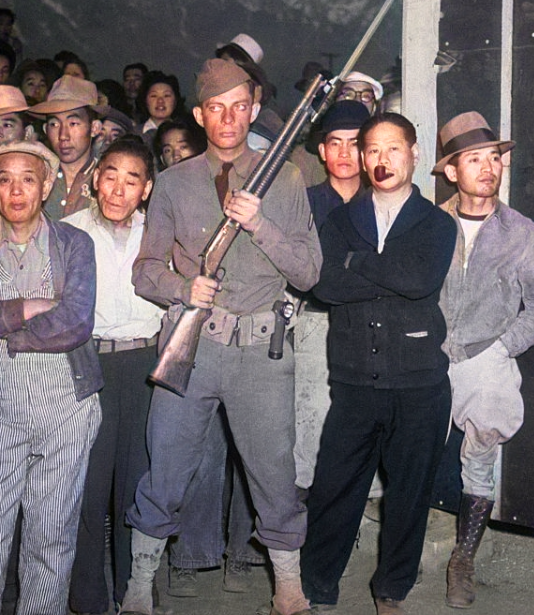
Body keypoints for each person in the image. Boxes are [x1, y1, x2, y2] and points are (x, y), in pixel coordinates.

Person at [123, 58, 321, 615]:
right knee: (165, 470)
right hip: (196, 345)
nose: (228, 118)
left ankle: (289, 592)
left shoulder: (285, 177)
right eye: (216, 107)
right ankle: (139, 589)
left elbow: (309, 272)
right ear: (198, 114)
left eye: (239, 106)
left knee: (275, 478)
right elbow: (144, 269)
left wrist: (260, 224)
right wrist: (185, 287)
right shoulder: (172, 182)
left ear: (254, 110)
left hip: (263, 349)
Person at [301, 113, 457, 615]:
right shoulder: (340, 220)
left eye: (393, 149)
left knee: (409, 496)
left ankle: (391, 591)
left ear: (414, 155)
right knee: (333, 489)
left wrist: (356, 263)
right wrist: (381, 269)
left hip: (419, 384)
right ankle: (316, 587)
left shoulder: (435, 222)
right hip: (353, 381)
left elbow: (419, 280)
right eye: (372, 150)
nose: (381, 160)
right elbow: (323, 284)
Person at [0, 138, 101, 615]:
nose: (17, 191)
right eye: (5, 180)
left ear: (47, 185)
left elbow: (76, 320)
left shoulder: (74, 243)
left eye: (28, 179)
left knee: (51, 536)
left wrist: (5, 328)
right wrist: (30, 307)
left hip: (66, 405)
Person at [433, 112, 534, 609]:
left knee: (480, 459)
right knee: (406, 449)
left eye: (494, 158)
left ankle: (463, 559)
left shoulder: (523, 233)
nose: (488, 167)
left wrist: (504, 347)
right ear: (450, 171)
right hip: (427, 354)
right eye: (473, 159)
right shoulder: (428, 222)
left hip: (487, 356)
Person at [64, 136, 162, 614]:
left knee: (138, 481)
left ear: (146, 189)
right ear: (95, 179)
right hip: (90, 363)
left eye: (132, 180)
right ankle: (87, 598)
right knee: (88, 483)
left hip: (147, 365)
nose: (119, 190)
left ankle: (134, 591)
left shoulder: (160, 232)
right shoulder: (67, 231)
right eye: (111, 176)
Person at [293, 100, 370, 492]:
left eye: (354, 143)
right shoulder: (302, 202)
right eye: (335, 143)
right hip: (315, 323)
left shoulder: (382, 202)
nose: (344, 153)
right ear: (322, 151)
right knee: (312, 421)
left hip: (370, 325)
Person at [28, 75, 106, 220]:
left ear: (94, 128)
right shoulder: (35, 177)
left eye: (73, 123)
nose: (63, 135)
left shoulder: (107, 180)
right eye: (54, 124)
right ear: (45, 130)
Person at [137, 72, 185, 145]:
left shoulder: (186, 133)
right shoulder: (135, 133)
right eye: (154, 96)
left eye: (166, 95)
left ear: (176, 101)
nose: (160, 101)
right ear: (145, 101)